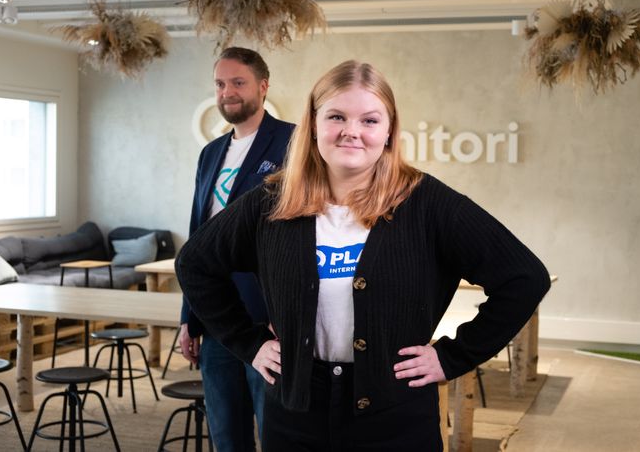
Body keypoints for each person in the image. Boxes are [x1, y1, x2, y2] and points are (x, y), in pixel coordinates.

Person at [176, 60, 550, 451]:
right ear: (314, 123)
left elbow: (524, 278)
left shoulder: (426, 202)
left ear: (388, 131)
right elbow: (195, 264)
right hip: (295, 417)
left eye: (370, 120)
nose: (351, 132)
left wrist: (452, 357)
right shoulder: (273, 201)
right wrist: (248, 343)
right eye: (336, 116)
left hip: (395, 416)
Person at [178, 47, 294, 452]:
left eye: (238, 82)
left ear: (263, 86)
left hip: (269, 322)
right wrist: (188, 318)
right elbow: (198, 241)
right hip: (217, 322)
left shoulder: (295, 143)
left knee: (277, 432)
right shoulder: (210, 154)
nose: (227, 92)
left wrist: (292, 311)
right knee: (227, 436)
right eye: (220, 83)